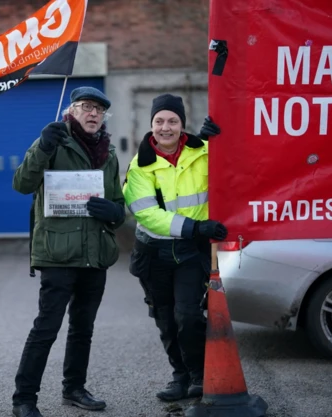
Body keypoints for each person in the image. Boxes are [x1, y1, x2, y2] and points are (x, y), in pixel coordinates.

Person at [11, 87, 126, 417]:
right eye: (86, 107)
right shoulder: (52, 141)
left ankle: (74, 389)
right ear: (71, 111)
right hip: (58, 254)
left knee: (83, 328)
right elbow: (22, 183)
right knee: (46, 327)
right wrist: (44, 145)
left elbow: (118, 204)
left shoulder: (109, 154)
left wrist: (115, 213)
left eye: (99, 110)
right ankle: (24, 399)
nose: (93, 114)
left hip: (96, 254)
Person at [123, 93, 227, 402]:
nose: (165, 128)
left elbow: (234, 168)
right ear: (150, 124)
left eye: (172, 121)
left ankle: (198, 374)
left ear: (182, 125)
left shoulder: (204, 152)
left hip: (189, 253)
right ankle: (179, 376)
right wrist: (196, 226)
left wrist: (219, 140)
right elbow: (146, 214)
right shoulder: (139, 166)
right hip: (153, 253)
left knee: (189, 316)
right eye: (159, 121)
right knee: (165, 319)